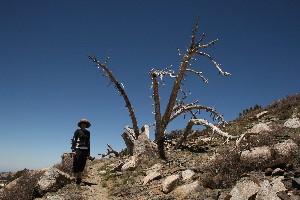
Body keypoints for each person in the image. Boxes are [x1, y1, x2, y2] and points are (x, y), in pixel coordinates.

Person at [71, 119, 92, 185]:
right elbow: (74, 140)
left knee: (82, 164)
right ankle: (73, 180)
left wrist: (88, 153)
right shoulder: (77, 131)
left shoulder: (88, 133)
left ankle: (79, 180)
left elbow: (88, 143)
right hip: (78, 149)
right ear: (80, 124)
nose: (83, 124)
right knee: (76, 163)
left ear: (86, 125)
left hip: (85, 150)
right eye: (82, 123)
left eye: (85, 123)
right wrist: (73, 150)